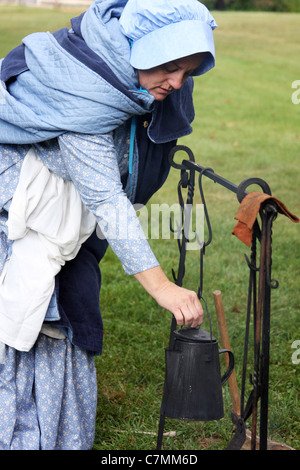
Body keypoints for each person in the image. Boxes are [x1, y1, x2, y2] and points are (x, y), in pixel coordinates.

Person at [0, 0, 217, 450]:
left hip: (62, 202)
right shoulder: (85, 91)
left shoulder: (132, 76)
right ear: (138, 46)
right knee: (34, 301)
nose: (177, 83)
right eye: (171, 66)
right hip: (17, 203)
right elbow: (106, 201)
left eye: (188, 72)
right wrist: (162, 287)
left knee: (70, 284)